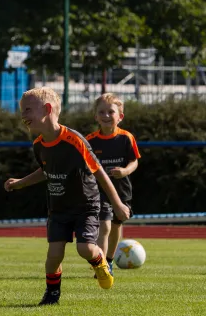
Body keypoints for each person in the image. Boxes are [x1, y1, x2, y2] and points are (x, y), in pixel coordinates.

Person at [3, 87, 130, 306]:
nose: (23, 116)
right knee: (54, 254)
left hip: (86, 206)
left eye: (27, 110)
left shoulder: (75, 141)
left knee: (86, 249)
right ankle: (52, 294)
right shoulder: (38, 144)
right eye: (22, 111)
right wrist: (21, 183)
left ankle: (100, 264)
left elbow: (99, 171)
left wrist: (117, 204)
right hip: (58, 208)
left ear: (48, 109)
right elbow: (45, 170)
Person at [86, 93, 140, 276]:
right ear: (95, 116)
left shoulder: (126, 138)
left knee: (116, 226)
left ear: (120, 116)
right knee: (104, 225)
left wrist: (124, 171)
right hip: (98, 191)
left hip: (121, 190)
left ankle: (108, 261)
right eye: (101, 112)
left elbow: (134, 161)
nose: (106, 115)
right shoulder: (90, 141)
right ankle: (101, 265)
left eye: (111, 112)